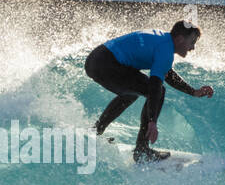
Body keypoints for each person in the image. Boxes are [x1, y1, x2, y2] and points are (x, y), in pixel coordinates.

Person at [85, 20, 214, 162]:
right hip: (106, 63)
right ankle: (142, 149)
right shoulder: (165, 50)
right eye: (192, 42)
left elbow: (166, 73)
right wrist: (152, 121)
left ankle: (95, 132)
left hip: (97, 60)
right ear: (180, 39)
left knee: (131, 93)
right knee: (157, 92)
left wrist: (193, 91)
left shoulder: (163, 41)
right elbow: (155, 86)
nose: (193, 47)